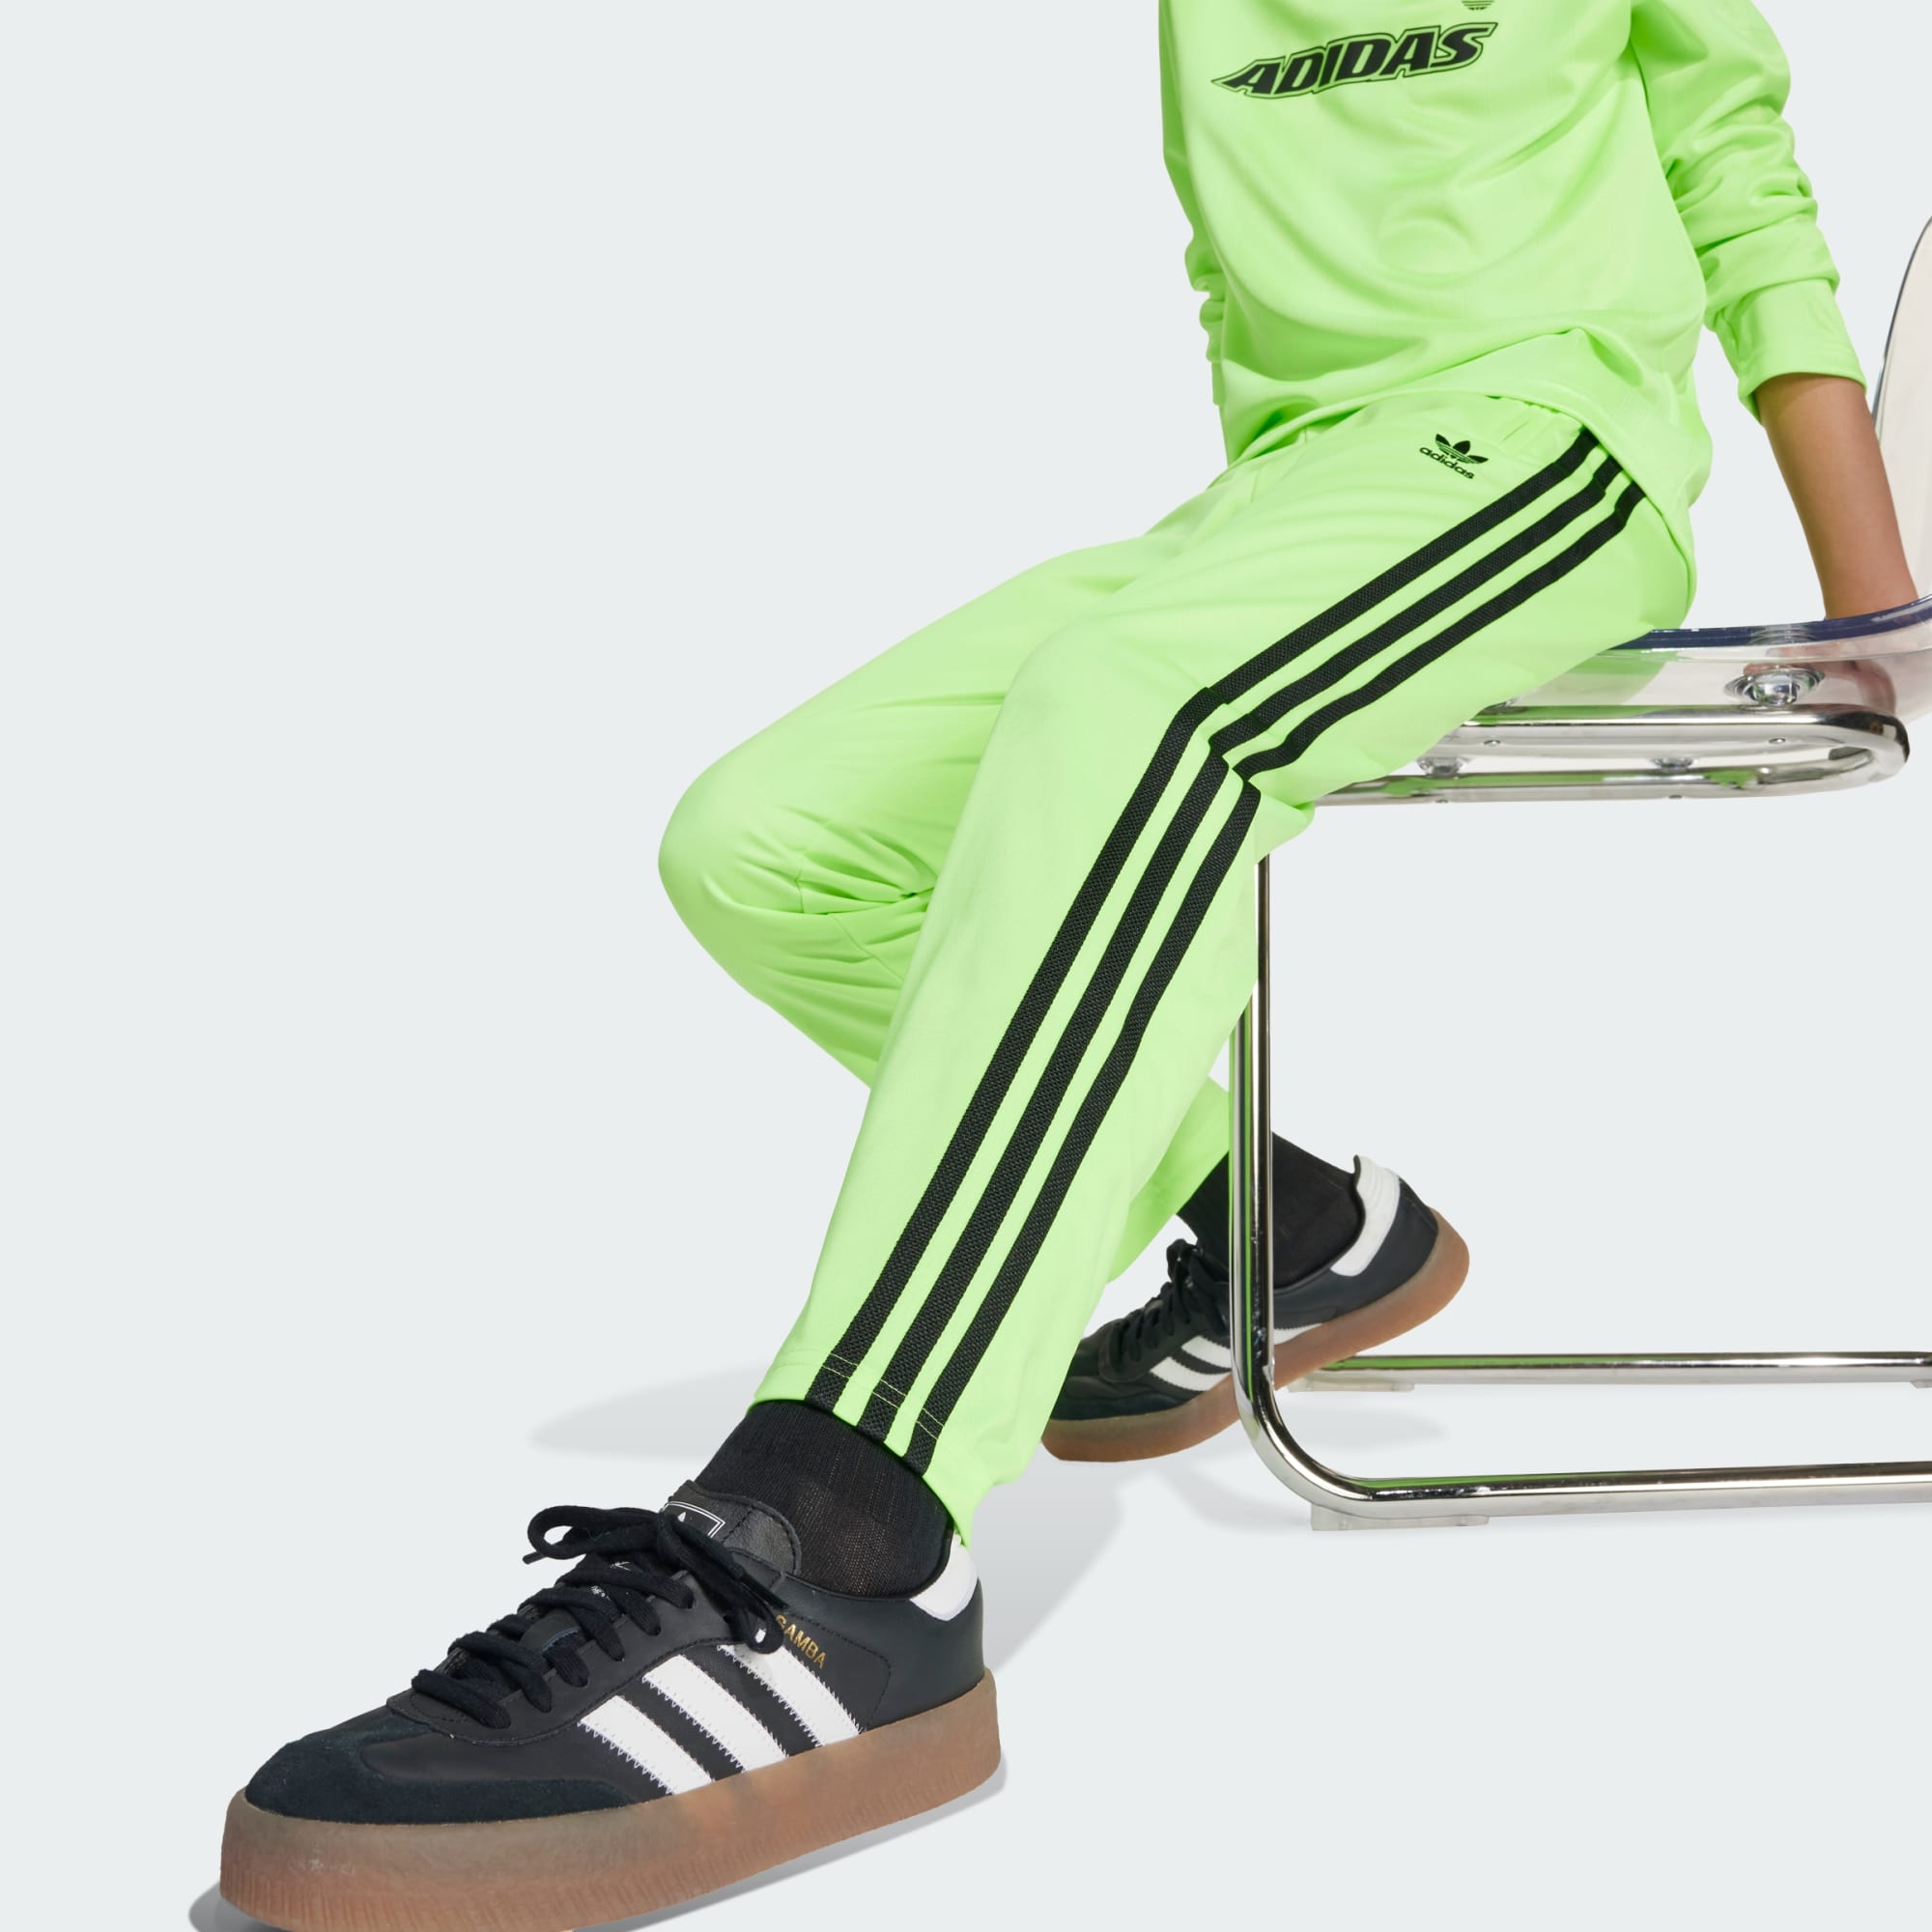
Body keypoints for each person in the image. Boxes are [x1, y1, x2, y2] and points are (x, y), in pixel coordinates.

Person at [219, 6, 1918, 1927]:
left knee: (1136, 711)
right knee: (767, 838)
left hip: (1543, 452)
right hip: (1287, 494)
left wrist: (1880, 604)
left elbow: (1737, 175)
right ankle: (1285, 1217)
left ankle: (846, 1532)